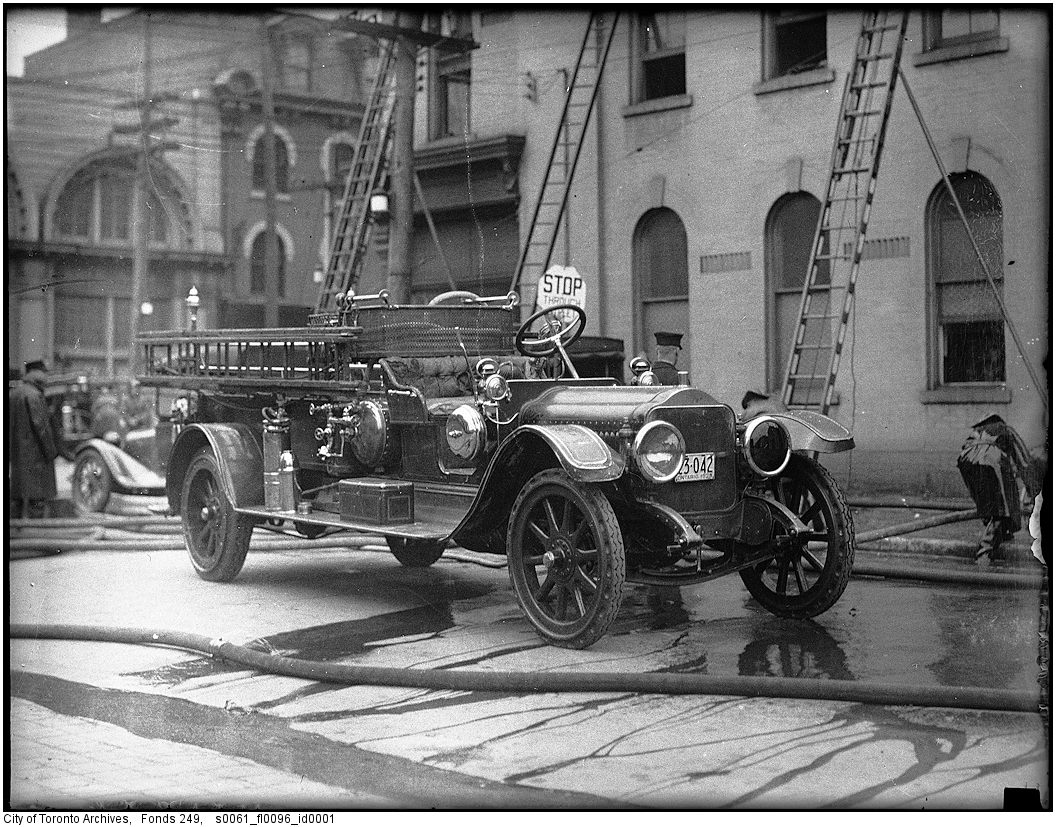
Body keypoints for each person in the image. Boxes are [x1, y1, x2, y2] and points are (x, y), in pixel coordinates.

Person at [957, 413, 1036, 565]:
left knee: (989, 502)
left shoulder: (977, 431)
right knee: (1003, 507)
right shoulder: (1006, 430)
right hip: (991, 459)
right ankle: (984, 555)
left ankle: (1002, 533)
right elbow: (1023, 461)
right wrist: (1033, 492)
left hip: (965, 459)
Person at [9, 360, 59, 518]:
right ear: (36, 374)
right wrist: (51, 451)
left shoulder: (13, 394)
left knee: (16, 499)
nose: (46, 377)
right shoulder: (34, 395)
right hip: (35, 457)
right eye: (44, 373)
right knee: (36, 500)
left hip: (17, 456)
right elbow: (41, 427)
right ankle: (35, 536)